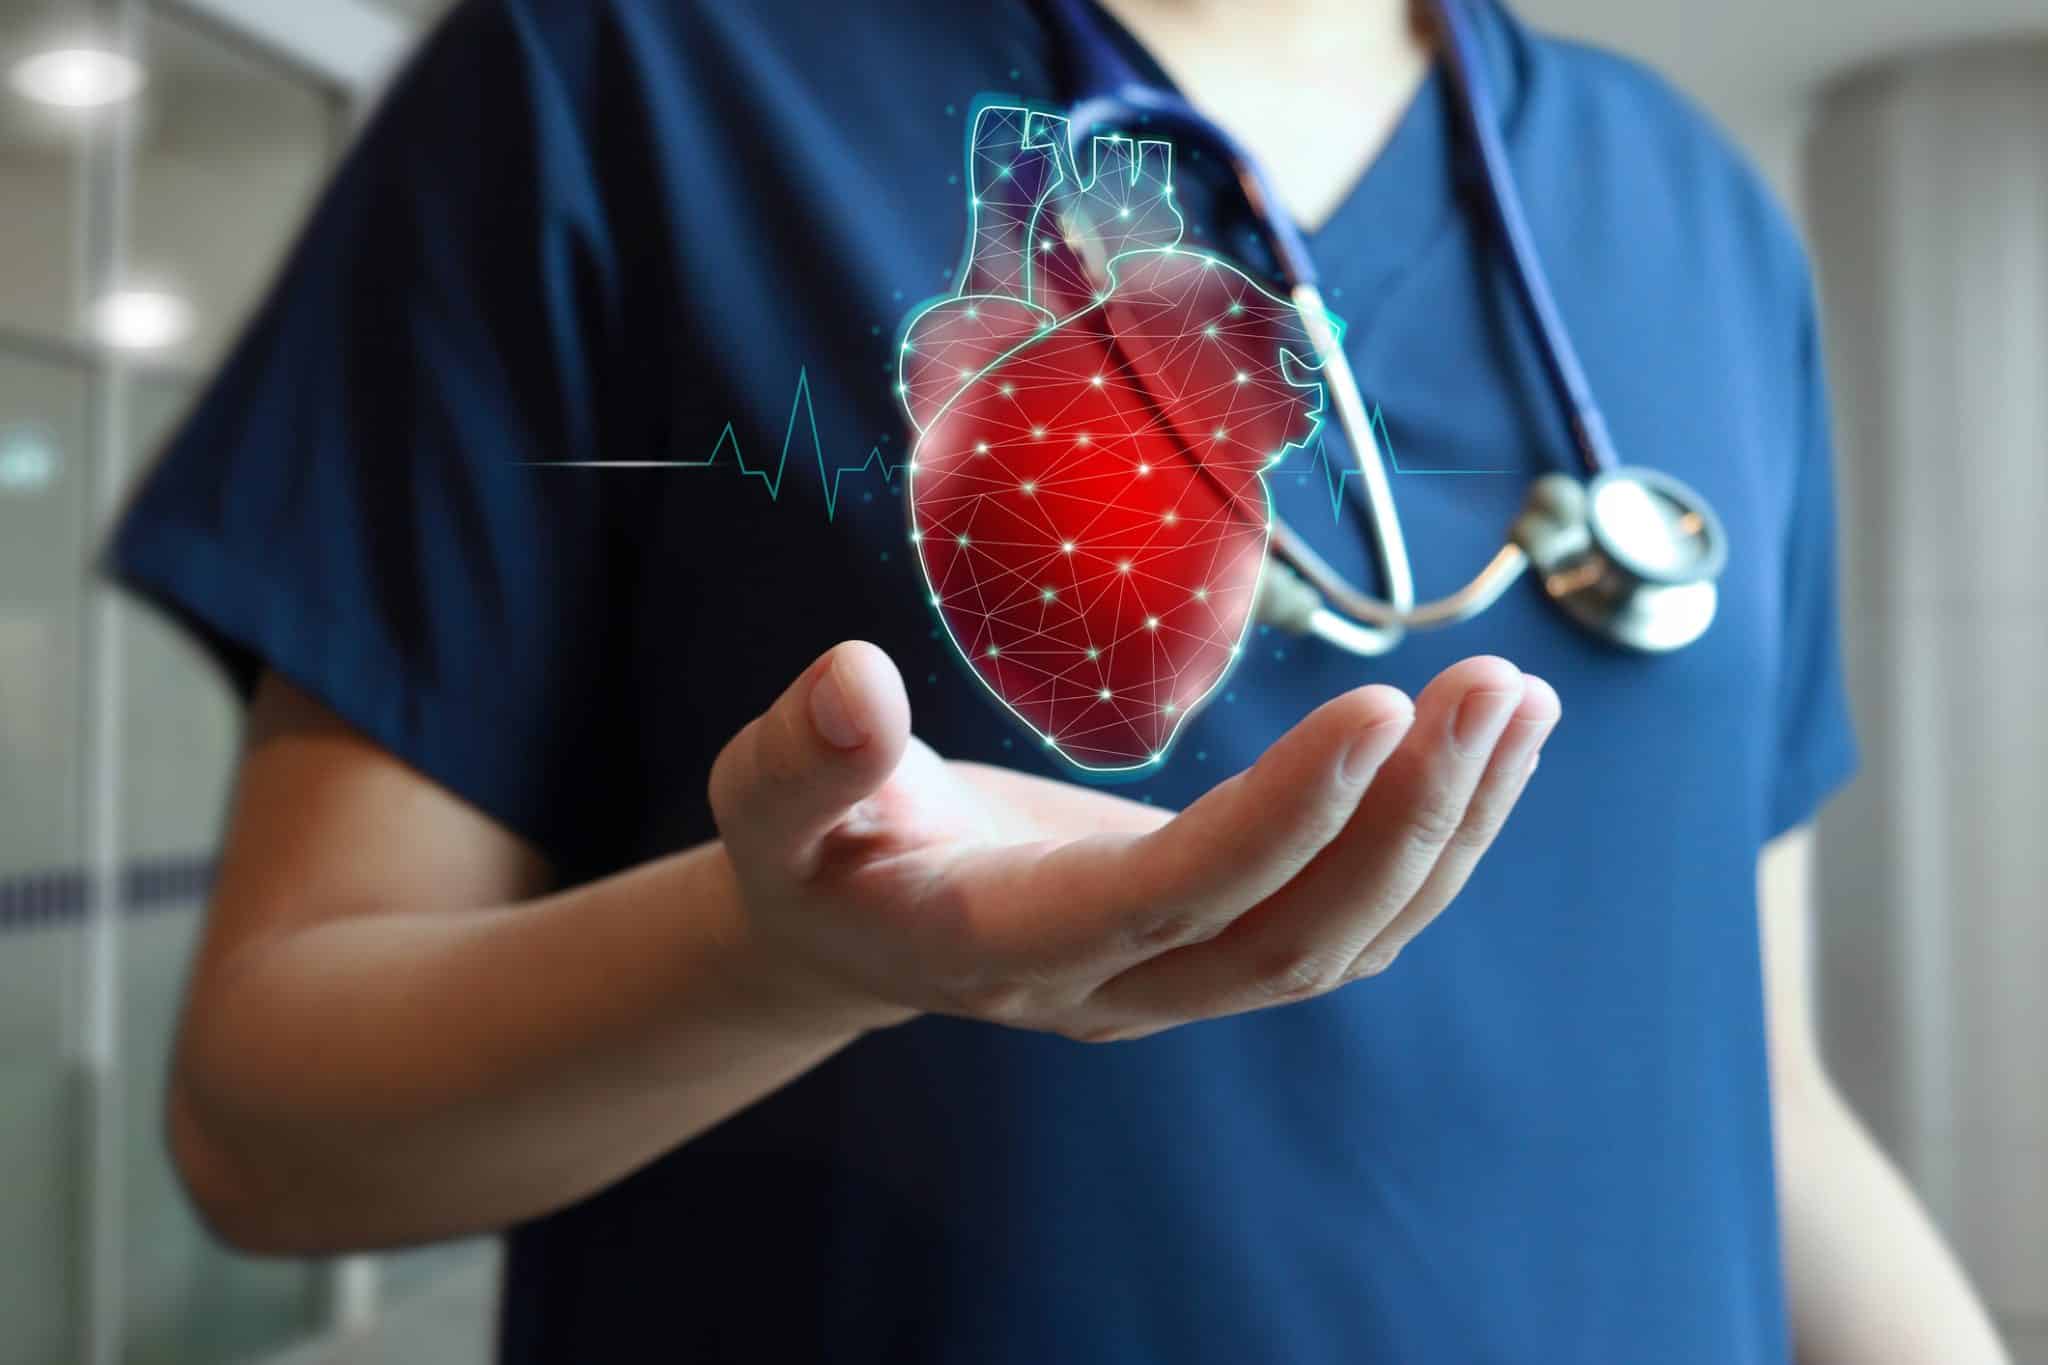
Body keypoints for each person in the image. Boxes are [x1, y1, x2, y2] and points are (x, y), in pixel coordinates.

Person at [109, 0, 2010, 1361]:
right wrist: (774, 959)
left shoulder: (1685, 203)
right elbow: (266, 1126)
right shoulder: (620, 76)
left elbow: (1756, 1097)